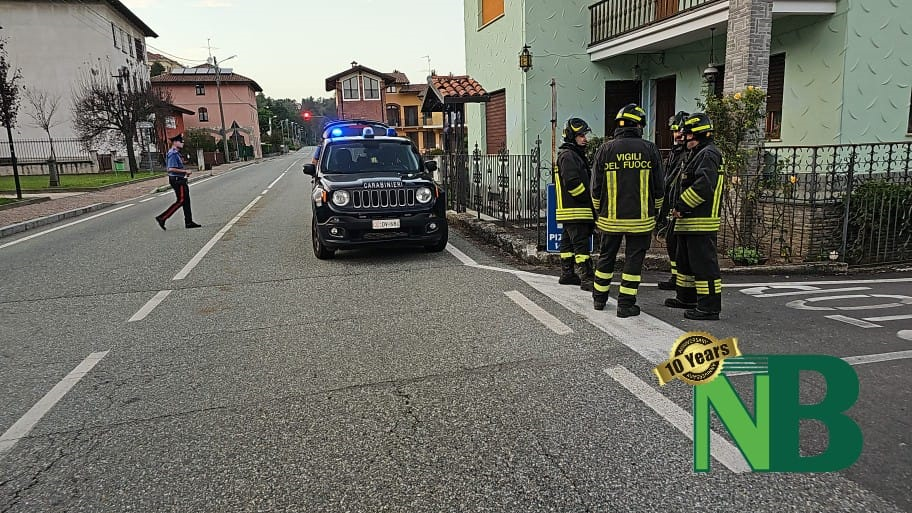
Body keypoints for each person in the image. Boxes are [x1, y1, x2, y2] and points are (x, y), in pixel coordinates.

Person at [590, 104, 664, 317]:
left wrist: (598, 211)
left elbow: (595, 186)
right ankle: (625, 304)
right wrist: (656, 211)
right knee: (633, 260)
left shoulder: (605, 149)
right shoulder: (650, 149)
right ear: (639, 124)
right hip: (641, 220)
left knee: (606, 257)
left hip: (609, 220)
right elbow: (659, 186)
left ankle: (599, 299)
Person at [665, 112, 724, 320]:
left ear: (697, 134)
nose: (683, 137)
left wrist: (681, 206)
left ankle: (709, 307)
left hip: (700, 221)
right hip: (687, 222)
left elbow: (703, 187)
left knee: (704, 267)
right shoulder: (696, 153)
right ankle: (686, 297)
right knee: (685, 264)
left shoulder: (708, 154)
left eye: (687, 133)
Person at [555, 118, 596, 291]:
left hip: (569, 210)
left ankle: (567, 274)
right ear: (571, 136)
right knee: (581, 246)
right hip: (577, 210)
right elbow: (572, 183)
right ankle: (587, 278)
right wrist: (588, 200)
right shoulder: (569, 156)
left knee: (567, 243)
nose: (585, 139)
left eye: (585, 135)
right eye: (581, 135)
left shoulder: (570, 154)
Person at [657, 111, 690, 291]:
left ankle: (681, 280)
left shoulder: (688, 153)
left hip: (682, 207)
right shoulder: (675, 152)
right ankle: (676, 276)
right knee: (671, 242)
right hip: (672, 205)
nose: (677, 135)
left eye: (681, 131)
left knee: (679, 245)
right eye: (675, 131)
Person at [155, 133, 201, 230]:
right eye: (181, 141)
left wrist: (184, 172)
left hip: (180, 179)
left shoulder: (177, 153)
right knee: (181, 201)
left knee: (186, 201)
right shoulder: (172, 153)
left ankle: (189, 222)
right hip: (177, 180)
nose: (182, 143)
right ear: (175, 142)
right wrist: (185, 171)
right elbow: (170, 169)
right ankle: (162, 218)